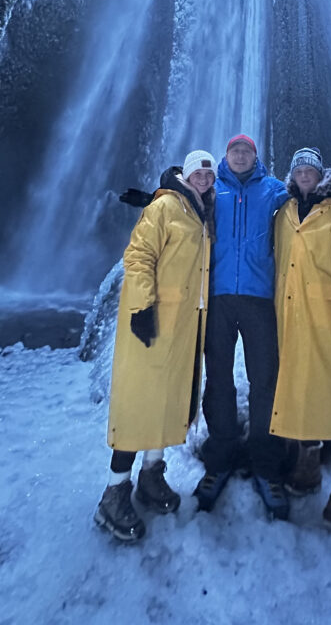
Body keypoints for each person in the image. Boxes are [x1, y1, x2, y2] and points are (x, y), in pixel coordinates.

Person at [94, 150, 217, 542]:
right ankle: (113, 494)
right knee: (139, 404)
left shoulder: (200, 212)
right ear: (185, 174)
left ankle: (151, 474)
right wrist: (143, 306)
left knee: (167, 400)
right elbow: (139, 255)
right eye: (198, 171)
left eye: (209, 172)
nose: (204, 177)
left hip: (183, 326)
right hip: (154, 320)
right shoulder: (166, 205)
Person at [270, 146, 331, 527]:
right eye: (299, 169)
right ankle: (308, 463)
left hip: (327, 324)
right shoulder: (284, 213)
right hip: (290, 322)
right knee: (298, 395)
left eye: (311, 169)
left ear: (320, 174)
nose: (305, 174)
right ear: (293, 176)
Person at [193, 134, 291, 519]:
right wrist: (166, 184)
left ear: (255, 156)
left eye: (246, 150)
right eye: (234, 150)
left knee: (265, 378)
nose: (239, 155)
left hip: (258, 297)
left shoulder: (272, 189)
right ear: (225, 156)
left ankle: (266, 460)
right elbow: (180, 200)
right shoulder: (210, 188)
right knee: (218, 378)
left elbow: (305, 201)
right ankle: (221, 453)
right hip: (218, 295)